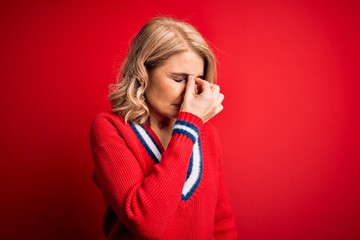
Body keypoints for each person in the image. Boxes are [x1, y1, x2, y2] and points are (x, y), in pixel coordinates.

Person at [90, 16, 238, 239]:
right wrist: (188, 127)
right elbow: (147, 223)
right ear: (143, 74)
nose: (189, 92)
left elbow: (221, 222)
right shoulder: (110, 129)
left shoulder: (206, 133)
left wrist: (192, 125)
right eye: (178, 79)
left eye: (196, 80)